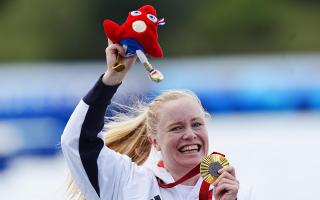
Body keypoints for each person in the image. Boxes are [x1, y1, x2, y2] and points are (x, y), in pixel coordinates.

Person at [61, 39, 252, 200]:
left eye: (196, 124)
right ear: (155, 141)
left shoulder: (235, 192)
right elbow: (77, 142)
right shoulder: (127, 182)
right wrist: (112, 78)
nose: (190, 135)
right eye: (176, 128)